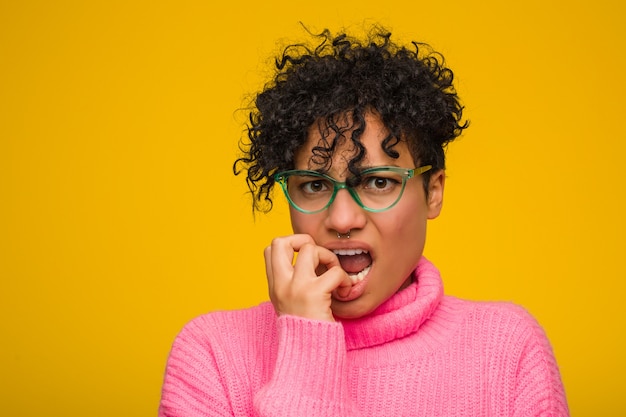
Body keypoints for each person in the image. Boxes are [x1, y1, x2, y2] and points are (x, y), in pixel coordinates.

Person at [159, 25, 569, 417]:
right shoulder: (211, 355)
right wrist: (306, 343)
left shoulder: (510, 351)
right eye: (314, 186)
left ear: (434, 191)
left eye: (377, 182)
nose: (342, 219)